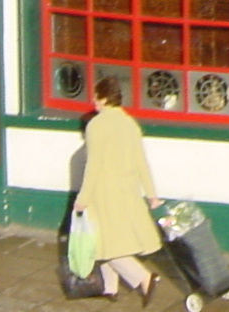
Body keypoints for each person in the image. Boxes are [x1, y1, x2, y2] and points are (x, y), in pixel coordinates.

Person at [75, 76, 162, 300]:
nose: (94, 100)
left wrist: (83, 197)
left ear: (104, 98)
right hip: (127, 189)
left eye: (96, 96)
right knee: (113, 238)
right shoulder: (129, 123)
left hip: (103, 191)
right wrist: (152, 194)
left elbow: (93, 164)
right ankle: (110, 288)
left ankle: (143, 278)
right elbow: (141, 161)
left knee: (104, 243)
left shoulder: (96, 124)